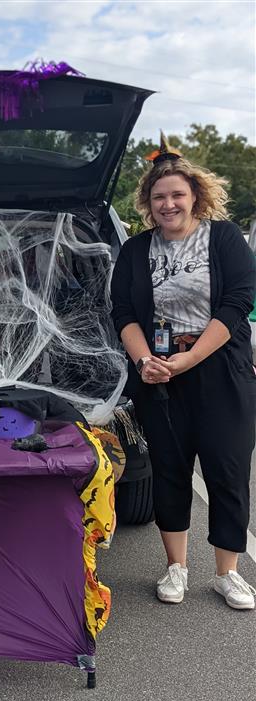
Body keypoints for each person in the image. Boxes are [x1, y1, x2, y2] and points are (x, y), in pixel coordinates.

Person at [111, 137, 256, 610]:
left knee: (228, 470)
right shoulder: (135, 250)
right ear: (148, 205)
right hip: (159, 375)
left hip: (221, 370)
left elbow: (238, 302)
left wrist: (190, 360)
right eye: (159, 197)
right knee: (169, 470)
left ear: (194, 194)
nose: (168, 203)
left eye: (176, 194)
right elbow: (124, 313)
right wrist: (144, 362)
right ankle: (176, 568)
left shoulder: (225, 238)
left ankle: (227, 573)